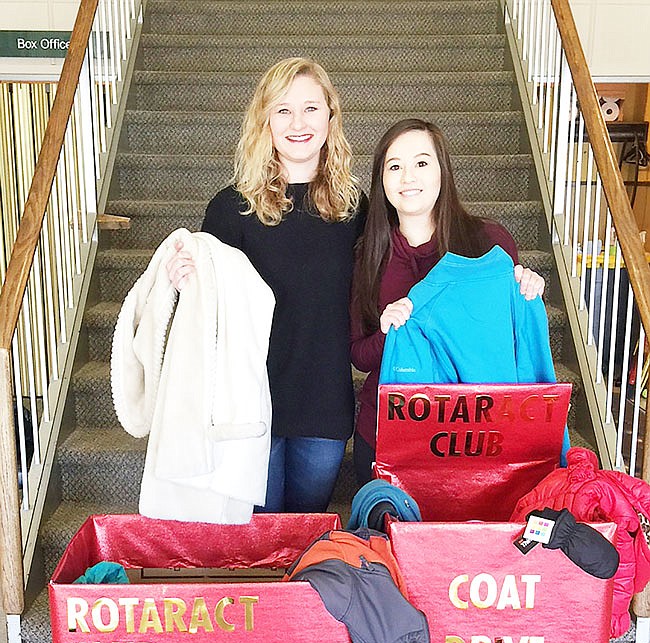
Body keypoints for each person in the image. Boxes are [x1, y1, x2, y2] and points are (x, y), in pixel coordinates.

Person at [167, 57, 367, 512]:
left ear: (331, 117)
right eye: (283, 110)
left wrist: (507, 269)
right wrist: (182, 282)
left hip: (324, 402)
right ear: (265, 121)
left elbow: (403, 264)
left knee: (306, 528)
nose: (298, 122)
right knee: (261, 538)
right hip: (250, 406)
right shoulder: (230, 208)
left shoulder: (356, 207)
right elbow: (205, 306)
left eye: (311, 108)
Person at [350, 118, 546, 486]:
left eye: (422, 163)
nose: (408, 177)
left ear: (443, 171)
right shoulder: (369, 255)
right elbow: (358, 354)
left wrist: (526, 292)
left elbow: (511, 341)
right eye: (395, 166)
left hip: (472, 434)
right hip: (386, 433)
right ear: (382, 180)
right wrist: (386, 331)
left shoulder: (488, 242)